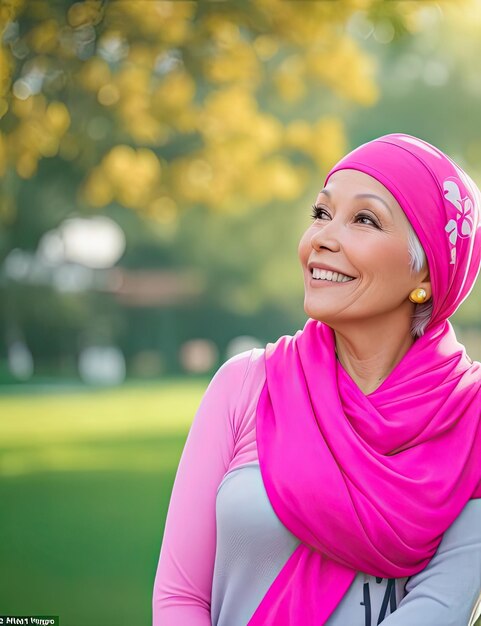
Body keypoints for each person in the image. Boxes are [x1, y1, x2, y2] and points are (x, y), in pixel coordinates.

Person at [152, 133, 481, 625]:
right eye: (322, 214)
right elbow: (180, 598)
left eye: (364, 219)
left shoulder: (470, 418)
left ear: (428, 273)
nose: (321, 239)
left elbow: (439, 610)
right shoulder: (245, 386)